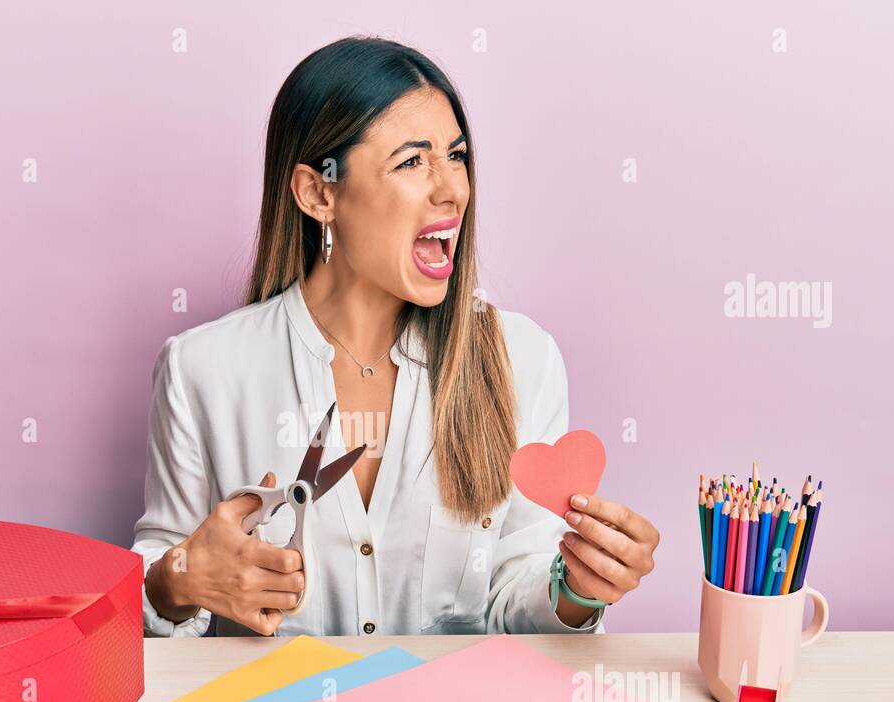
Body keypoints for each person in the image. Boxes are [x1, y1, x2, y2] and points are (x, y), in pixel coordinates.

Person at [135, 36, 659, 637]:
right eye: (412, 161)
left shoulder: (522, 360)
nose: (453, 189)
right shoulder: (201, 370)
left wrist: (578, 590)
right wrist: (177, 581)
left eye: (456, 156)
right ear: (319, 193)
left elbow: (517, 597)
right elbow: (164, 583)